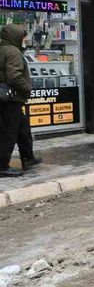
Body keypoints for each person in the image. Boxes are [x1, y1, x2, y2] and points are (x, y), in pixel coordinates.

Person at [0, 24, 40, 177]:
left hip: (6, 97)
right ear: (15, 37)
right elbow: (14, 76)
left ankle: (27, 157)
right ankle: (2, 165)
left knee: (23, 129)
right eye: (23, 38)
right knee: (8, 132)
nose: (24, 40)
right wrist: (27, 89)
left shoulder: (4, 49)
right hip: (13, 98)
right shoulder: (13, 52)